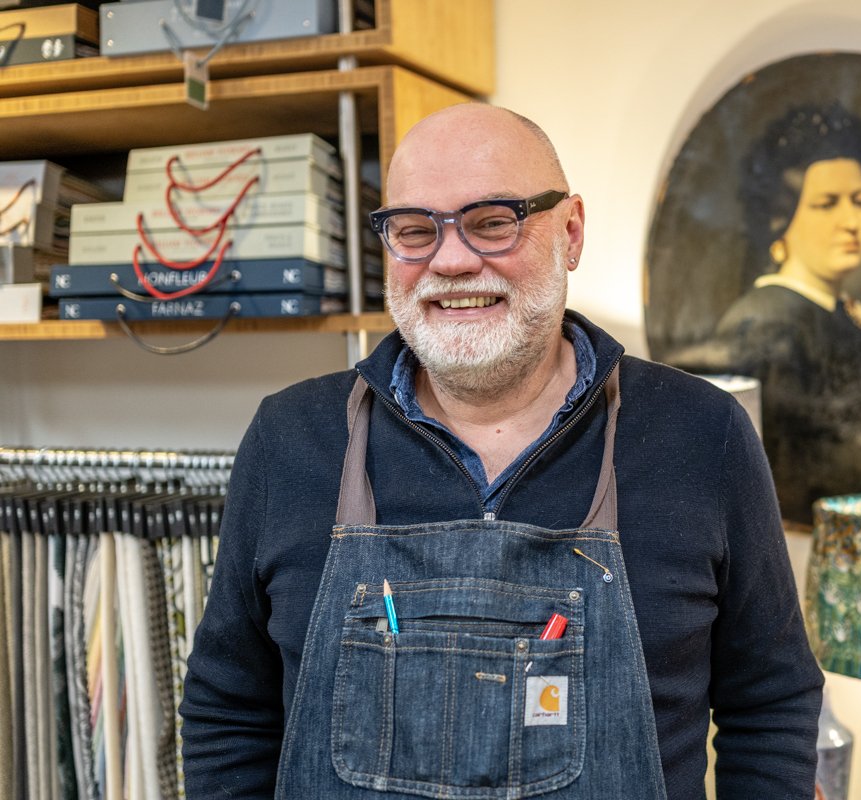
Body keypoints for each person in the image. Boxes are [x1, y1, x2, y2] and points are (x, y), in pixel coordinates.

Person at [180, 103, 823, 799]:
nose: (451, 260)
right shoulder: (290, 438)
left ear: (570, 232)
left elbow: (770, 704)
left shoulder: (703, 434)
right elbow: (229, 712)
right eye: (415, 230)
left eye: (493, 222)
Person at [667, 101, 861, 525]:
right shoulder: (765, 325)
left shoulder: (848, 315)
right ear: (780, 217)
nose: (851, 221)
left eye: (860, 200)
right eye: (827, 203)